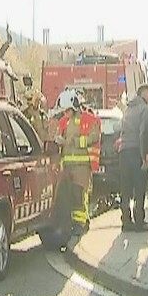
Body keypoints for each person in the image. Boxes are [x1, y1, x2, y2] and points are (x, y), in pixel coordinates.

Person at [53, 91, 101, 232]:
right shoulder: (63, 122)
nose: (65, 113)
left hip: (82, 165)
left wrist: (74, 141)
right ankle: (75, 222)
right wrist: (58, 141)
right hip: (67, 165)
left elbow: (94, 137)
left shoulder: (89, 119)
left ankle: (80, 223)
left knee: (79, 194)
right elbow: (57, 136)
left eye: (67, 110)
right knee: (69, 195)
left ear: (74, 107)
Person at [119, 83, 148, 232]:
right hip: (136, 151)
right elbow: (144, 134)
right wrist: (145, 156)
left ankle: (126, 221)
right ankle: (139, 221)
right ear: (144, 93)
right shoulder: (145, 110)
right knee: (139, 188)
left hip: (124, 151)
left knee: (126, 189)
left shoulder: (128, 109)